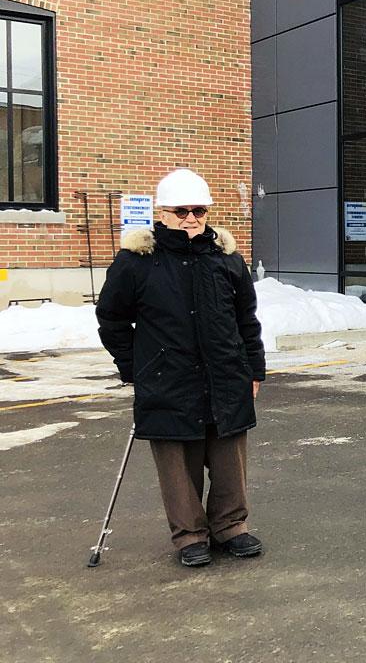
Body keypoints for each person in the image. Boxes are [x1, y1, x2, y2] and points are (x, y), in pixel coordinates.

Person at [96, 168, 266, 567]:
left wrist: (254, 369)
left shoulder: (226, 260)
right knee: (178, 461)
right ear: (163, 212)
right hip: (166, 376)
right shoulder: (136, 262)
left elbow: (247, 319)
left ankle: (230, 526)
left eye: (199, 211)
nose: (191, 219)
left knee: (229, 459)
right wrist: (134, 366)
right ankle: (190, 534)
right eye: (181, 211)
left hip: (225, 374)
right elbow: (111, 318)